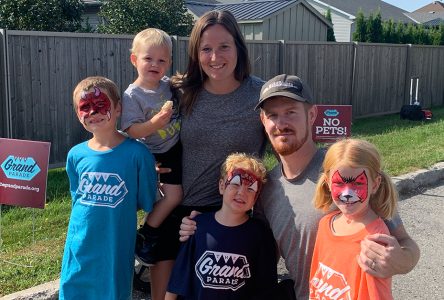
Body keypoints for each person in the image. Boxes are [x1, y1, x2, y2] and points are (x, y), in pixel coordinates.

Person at [181, 74, 420, 299]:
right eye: (272, 115)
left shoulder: (343, 172)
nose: (281, 123)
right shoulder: (267, 187)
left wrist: (400, 260)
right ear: (263, 121)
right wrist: (203, 228)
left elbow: (406, 244)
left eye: (291, 112)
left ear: (312, 114)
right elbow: (255, 246)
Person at [149, 10, 267, 300]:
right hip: (176, 210)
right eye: (206, 49)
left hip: (228, 216)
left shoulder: (261, 96)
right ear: (195, 53)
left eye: (224, 46)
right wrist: (146, 162)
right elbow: (144, 126)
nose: (215, 57)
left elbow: (285, 150)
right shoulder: (180, 91)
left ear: (239, 46)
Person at [59, 76, 157, 299]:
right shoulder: (75, 155)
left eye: (101, 105)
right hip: (79, 247)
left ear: (118, 108)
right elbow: (78, 198)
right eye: (85, 107)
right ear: (78, 114)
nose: (93, 112)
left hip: (115, 248)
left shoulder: (138, 154)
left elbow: (146, 200)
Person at [165, 153, 277, 300]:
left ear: (256, 197)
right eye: (235, 184)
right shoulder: (196, 226)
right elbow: (177, 281)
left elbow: (266, 289)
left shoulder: (260, 234)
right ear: (222, 186)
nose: (241, 192)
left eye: (250, 188)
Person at [120, 28, 182, 266]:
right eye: (148, 58)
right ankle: (147, 233)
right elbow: (131, 130)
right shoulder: (132, 95)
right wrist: (155, 123)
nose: (155, 64)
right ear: (134, 59)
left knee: (165, 198)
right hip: (156, 153)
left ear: (168, 63)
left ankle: (152, 230)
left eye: (162, 60)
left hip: (176, 147)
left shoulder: (168, 85)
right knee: (173, 195)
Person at [309, 138, 397, 299]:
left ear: (375, 184)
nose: (347, 193)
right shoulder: (325, 224)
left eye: (357, 184)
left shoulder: (375, 238)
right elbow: (316, 277)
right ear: (328, 183)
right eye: (339, 184)